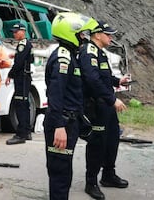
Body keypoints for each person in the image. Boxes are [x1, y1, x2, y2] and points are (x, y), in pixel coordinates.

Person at [44, 12, 98, 200]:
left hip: (70, 120)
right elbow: (55, 95)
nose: (84, 38)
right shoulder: (63, 59)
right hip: (62, 123)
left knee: (64, 171)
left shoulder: (71, 56)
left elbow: (73, 93)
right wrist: (59, 126)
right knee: (60, 173)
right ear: (70, 33)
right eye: (81, 34)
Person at [78, 21, 131, 200]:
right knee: (97, 144)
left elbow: (104, 76)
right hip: (96, 106)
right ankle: (90, 182)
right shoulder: (88, 52)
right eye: (108, 34)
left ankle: (108, 175)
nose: (111, 37)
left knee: (112, 139)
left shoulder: (99, 52)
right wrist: (112, 99)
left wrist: (118, 82)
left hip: (105, 105)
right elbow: (92, 80)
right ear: (97, 34)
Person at [5, 23, 34, 145]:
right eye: (13, 32)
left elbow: (19, 64)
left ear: (23, 31)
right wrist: (16, 54)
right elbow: (28, 58)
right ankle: (27, 132)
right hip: (25, 77)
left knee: (20, 106)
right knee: (25, 105)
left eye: (16, 32)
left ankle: (20, 134)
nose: (14, 34)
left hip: (21, 78)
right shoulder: (26, 44)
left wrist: (10, 75)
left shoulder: (23, 44)